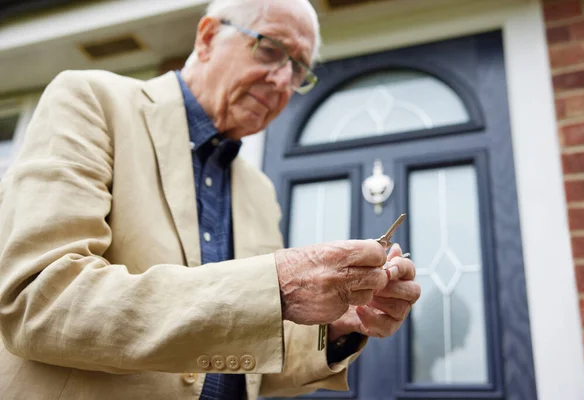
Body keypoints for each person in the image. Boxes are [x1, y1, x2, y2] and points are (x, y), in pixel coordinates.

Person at [0, 0, 421, 399]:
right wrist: (279, 286)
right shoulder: (91, 100)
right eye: (270, 49)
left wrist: (337, 326)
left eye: (298, 71)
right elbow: (40, 298)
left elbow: (246, 360)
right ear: (205, 37)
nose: (281, 81)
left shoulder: (259, 190)